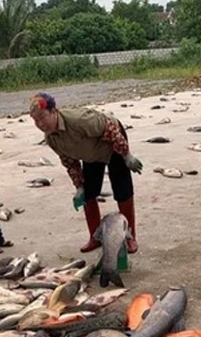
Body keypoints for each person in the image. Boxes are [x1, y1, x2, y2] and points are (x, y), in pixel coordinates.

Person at [28, 92, 143, 254]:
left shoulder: (79, 120)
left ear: (54, 111)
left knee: (123, 192)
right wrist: (79, 186)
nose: (40, 123)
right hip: (90, 153)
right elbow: (70, 162)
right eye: (35, 120)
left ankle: (129, 236)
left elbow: (110, 128)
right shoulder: (51, 139)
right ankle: (96, 237)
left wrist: (127, 155)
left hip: (113, 144)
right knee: (88, 194)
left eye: (42, 117)